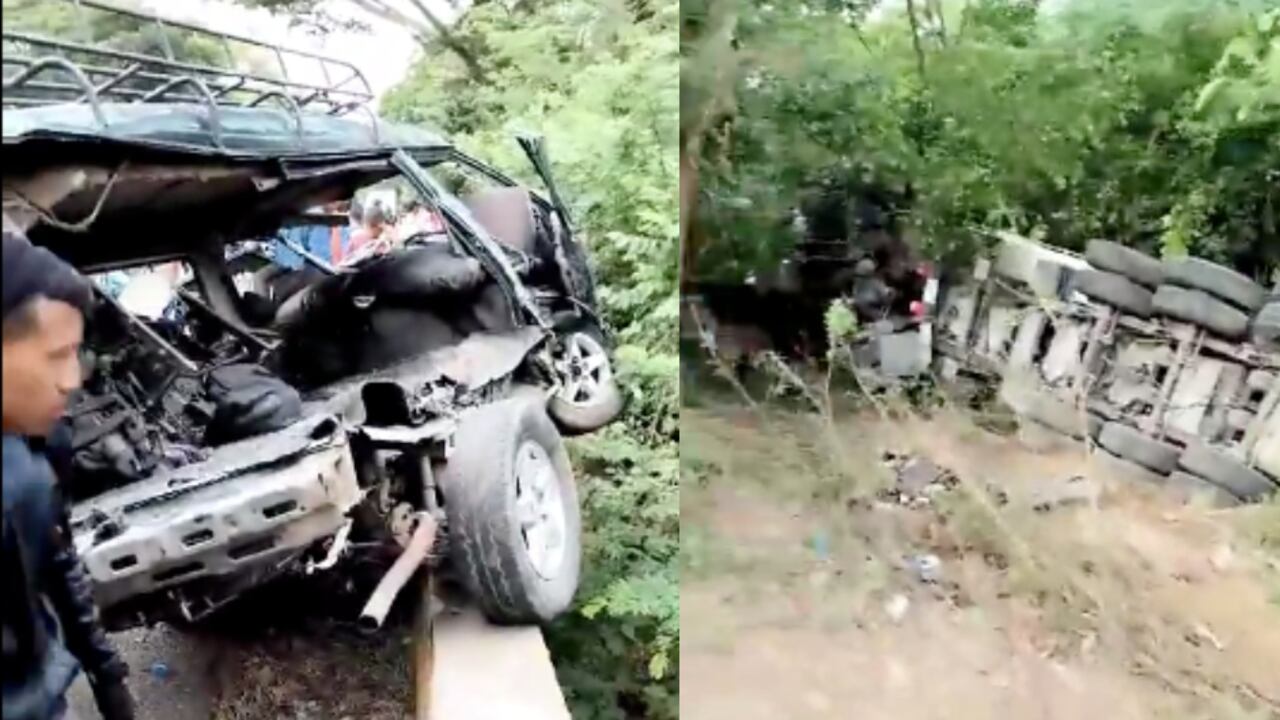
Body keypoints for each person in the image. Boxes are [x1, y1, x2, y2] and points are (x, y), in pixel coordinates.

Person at [3, 229, 136, 720]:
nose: (72, 380)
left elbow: (58, 561)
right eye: (56, 356)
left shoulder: (36, 450)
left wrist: (106, 671)